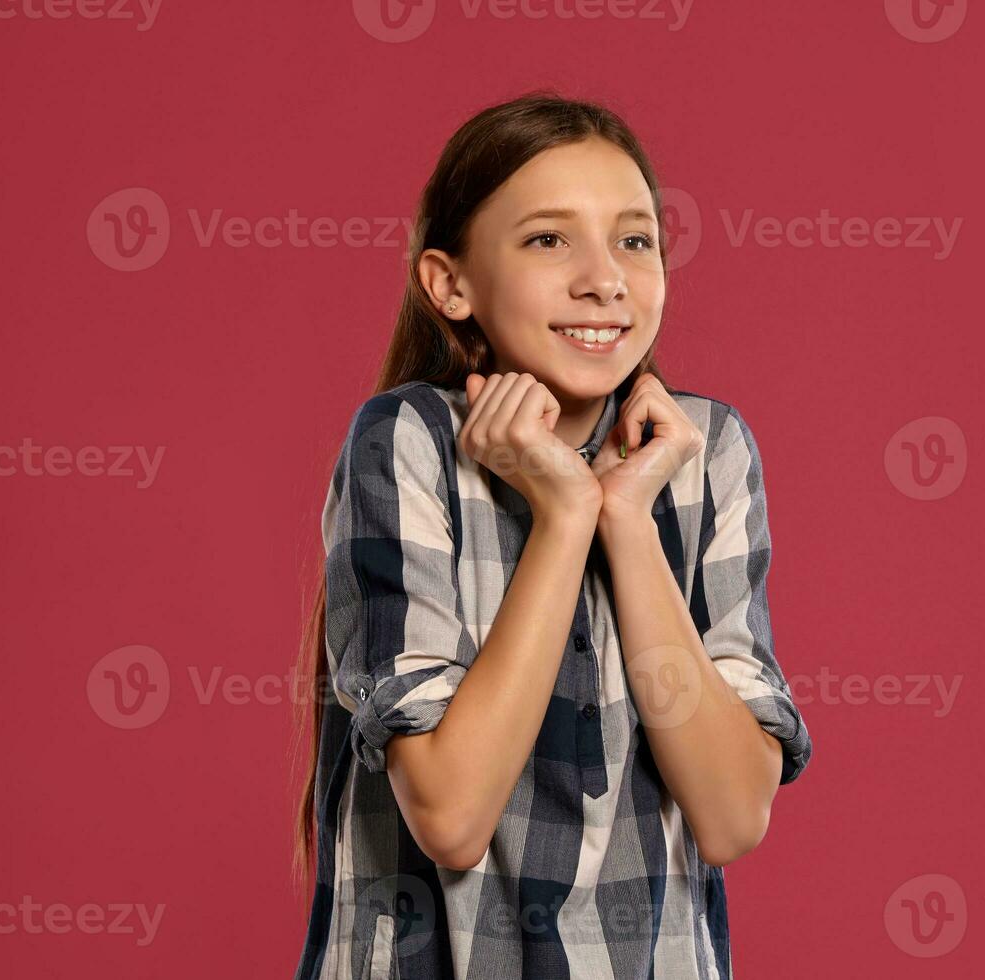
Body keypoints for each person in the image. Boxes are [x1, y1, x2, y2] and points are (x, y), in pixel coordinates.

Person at [290, 91, 813, 979]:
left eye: (635, 240)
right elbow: (451, 817)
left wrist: (624, 518)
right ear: (450, 284)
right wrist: (564, 515)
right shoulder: (404, 441)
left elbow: (731, 817)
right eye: (548, 239)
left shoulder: (701, 451)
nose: (605, 278)